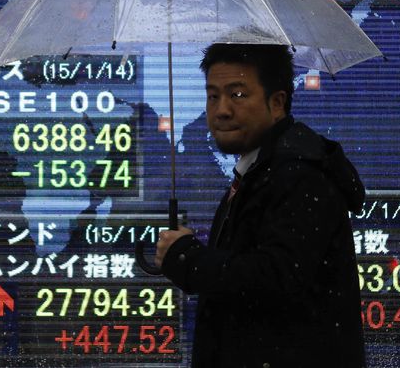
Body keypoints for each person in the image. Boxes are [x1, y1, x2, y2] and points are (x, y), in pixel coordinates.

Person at [155, 43, 367, 368]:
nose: (221, 109)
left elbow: (275, 278)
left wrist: (188, 259)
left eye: (237, 95)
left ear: (277, 102)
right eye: (213, 96)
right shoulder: (262, 171)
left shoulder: (299, 177)